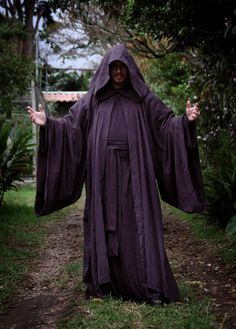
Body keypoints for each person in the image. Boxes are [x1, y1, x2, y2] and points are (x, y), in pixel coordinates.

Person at [27, 43, 205, 306]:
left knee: (138, 222)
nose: (119, 72)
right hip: (102, 174)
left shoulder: (144, 98)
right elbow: (72, 126)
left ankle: (148, 284)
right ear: (107, 70)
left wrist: (185, 121)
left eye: (123, 67)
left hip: (137, 173)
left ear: (130, 69)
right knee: (105, 222)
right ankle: (104, 281)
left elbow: (166, 125)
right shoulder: (93, 99)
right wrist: (49, 126)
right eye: (114, 68)